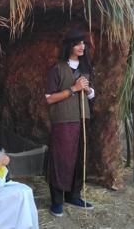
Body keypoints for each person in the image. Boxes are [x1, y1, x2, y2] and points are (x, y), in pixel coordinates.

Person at [44, 29, 95, 217]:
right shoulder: (57, 69)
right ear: (69, 46)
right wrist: (73, 88)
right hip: (63, 121)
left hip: (82, 118)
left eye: (83, 43)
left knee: (78, 158)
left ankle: (73, 195)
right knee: (61, 159)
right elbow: (49, 98)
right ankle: (57, 201)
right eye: (77, 43)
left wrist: (87, 90)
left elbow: (92, 94)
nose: (82, 46)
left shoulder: (85, 68)